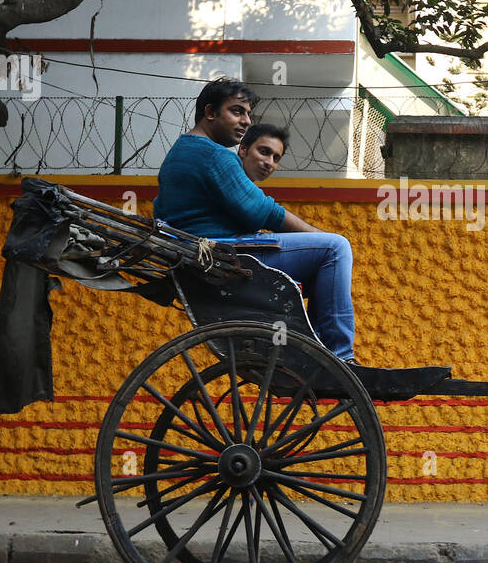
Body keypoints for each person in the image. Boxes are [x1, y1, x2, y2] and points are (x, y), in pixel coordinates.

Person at [153, 79, 357, 361]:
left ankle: (315, 352)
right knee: (335, 248)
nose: (246, 121)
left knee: (325, 268)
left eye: (248, 114)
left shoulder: (180, 152)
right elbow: (262, 211)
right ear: (210, 113)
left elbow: (161, 210)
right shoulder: (212, 155)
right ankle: (341, 358)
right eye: (237, 111)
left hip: (208, 256)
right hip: (226, 254)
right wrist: (318, 235)